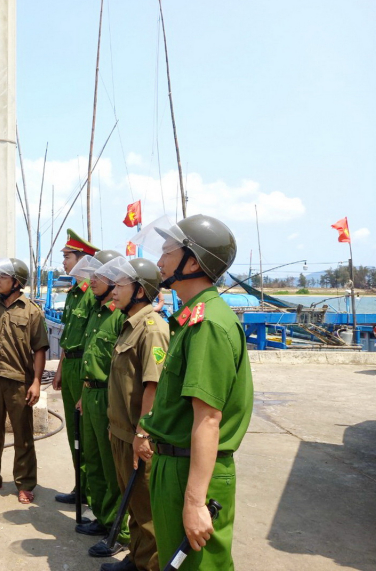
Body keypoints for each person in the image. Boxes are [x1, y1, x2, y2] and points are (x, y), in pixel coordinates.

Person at [135, 214, 253, 569]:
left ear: (193, 261)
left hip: (193, 470)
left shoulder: (208, 324)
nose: (159, 262)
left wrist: (194, 501)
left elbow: (209, 419)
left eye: (168, 252)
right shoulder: (190, 319)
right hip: (174, 463)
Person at [101, 257, 169, 571]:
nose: (113, 290)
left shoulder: (152, 328)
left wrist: (143, 433)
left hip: (137, 436)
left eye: (121, 285)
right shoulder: (130, 324)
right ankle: (137, 559)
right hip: (122, 431)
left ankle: (149, 566)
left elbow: (152, 386)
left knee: (147, 512)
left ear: (140, 290)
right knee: (133, 505)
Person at [0, 257, 49, 504]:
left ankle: (25, 483)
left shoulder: (32, 311)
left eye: (3, 277)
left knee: (23, 435)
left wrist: (35, 382)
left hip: (19, 382)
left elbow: (40, 350)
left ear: (16, 282)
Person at [71, 250, 131, 555]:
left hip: (110, 394)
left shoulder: (120, 314)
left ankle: (119, 530)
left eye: (99, 276)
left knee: (112, 466)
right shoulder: (96, 310)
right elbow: (90, 356)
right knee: (93, 460)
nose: (91, 281)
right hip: (91, 392)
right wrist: (83, 393)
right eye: (92, 275)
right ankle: (103, 516)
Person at [53, 229, 100, 505]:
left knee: (88, 434)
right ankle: (80, 487)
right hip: (69, 364)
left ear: (83, 259)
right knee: (74, 431)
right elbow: (68, 335)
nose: (64, 262)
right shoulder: (73, 294)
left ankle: (93, 494)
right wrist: (59, 369)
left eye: (68, 256)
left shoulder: (92, 295)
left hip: (85, 368)